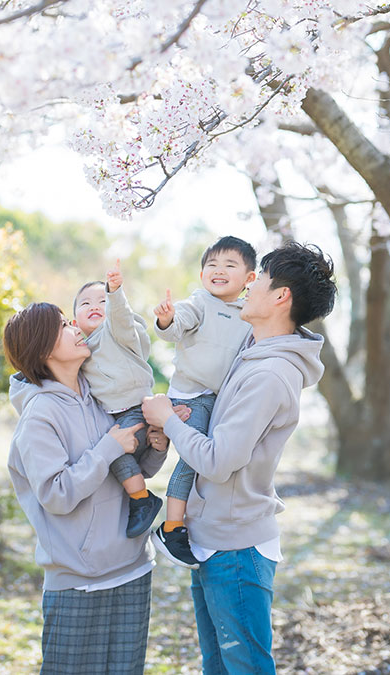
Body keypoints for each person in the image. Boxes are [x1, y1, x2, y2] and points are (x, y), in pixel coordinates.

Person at [143, 241, 337, 675]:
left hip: (237, 547)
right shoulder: (252, 353)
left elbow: (218, 460)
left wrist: (166, 421)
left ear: (280, 296)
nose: (249, 286)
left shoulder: (269, 373)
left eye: (260, 279)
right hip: (212, 540)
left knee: (245, 668)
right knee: (219, 667)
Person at [4, 301, 168, 675]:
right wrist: (109, 446)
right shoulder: (40, 415)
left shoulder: (101, 397)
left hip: (133, 569)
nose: (76, 326)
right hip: (77, 582)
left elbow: (130, 473)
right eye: (63, 325)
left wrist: (157, 447)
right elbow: (57, 495)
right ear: (42, 348)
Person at [151, 235, 257, 568]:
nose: (218, 270)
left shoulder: (247, 315)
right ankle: (171, 529)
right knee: (195, 459)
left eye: (229, 265)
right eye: (211, 265)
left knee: (215, 461)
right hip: (191, 396)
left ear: (249, 279)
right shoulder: (199, 303)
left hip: (218, 400)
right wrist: (167, 318)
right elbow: (176, 326)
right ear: (201, 275)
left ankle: (195, 519)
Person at [73, 259, 162, 538]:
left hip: (136, 408)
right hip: (115, 415)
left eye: (101, 301)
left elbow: (122, 319)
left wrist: (115, 293)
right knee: (114, 453)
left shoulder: (116, 333)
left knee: (113, 453)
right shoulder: (80, 351)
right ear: (74, 322)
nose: (95, 306)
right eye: (85, 304)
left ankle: (142, 500)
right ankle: (139, 491)